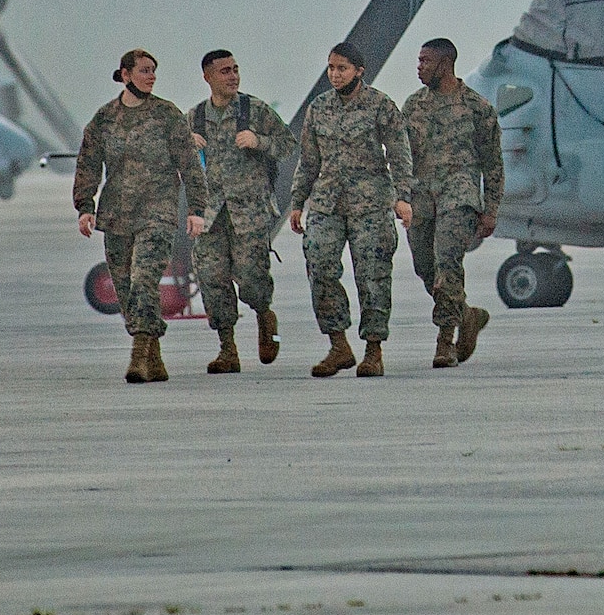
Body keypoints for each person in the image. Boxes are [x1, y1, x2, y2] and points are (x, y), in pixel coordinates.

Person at [74, 48, 207, 384]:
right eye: (145, 71)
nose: (151, 77)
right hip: (117, 215)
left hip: (158, 213)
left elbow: (190, 165)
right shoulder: (104, 119)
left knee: (143, 280)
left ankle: (138, 353)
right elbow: (88, 164)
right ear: (126, 74)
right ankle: (154, 355)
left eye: (154, 71)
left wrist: (195, 210)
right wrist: (84, 207)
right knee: (125, 288)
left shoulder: (166, 115)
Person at [288, 42, 412, 378]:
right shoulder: (319, 108)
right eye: (330, 68)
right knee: (320, 266)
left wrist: (403, 197)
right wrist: (297, 203)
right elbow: (309, 160)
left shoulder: (380, 105)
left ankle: (373, 349)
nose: (335, 74)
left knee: (372, 276)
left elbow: (399, 153)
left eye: (342, 68)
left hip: (370, 204)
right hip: (327, 203)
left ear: (359, 70)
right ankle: (338, 345)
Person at [188, 50, 297, 373]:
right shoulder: (194, 118)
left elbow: (288, 144)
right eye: (224, 71)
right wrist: (186, 145)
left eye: (235, 70)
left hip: (249, 212)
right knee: (212, 279)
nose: (233, 76)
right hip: (210, 215)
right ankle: (227, 349)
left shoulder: (254, 110)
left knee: (251, 279)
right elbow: (175, 162)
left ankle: (264, 314)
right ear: (208, 77)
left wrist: (259, 141)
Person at [401, 38, 504, 367]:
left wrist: (490, 210)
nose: (419, 67)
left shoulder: (477, 107)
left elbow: (493, 164)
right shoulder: (413, 105)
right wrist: (399, 197)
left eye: (425, 61)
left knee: (447, 264)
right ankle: (468, 315)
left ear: (445, 64)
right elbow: (401, 156)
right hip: (421, 196)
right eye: (418, 61)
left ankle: (445, 342)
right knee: (424, 267)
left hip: (459, 196)